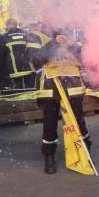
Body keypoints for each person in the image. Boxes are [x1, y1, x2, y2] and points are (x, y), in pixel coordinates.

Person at [28, 29, 90, 174]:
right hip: (50, 89)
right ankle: (49, 156)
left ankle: (84, 152)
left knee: (78, 122)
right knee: (50, 124)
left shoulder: (73, 38)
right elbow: (35, 61)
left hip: (73, 88)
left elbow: (84, 60)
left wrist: (73, 46)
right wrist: (53, 43)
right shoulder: (40, 37)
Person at [2, 18, 35, 90]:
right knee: (30, 89)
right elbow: (32, 49)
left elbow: (2, 54)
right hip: (28, 66)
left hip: (14, 69)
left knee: (18, 90)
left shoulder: (5, 36)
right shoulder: (25, 33)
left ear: (8, 25)